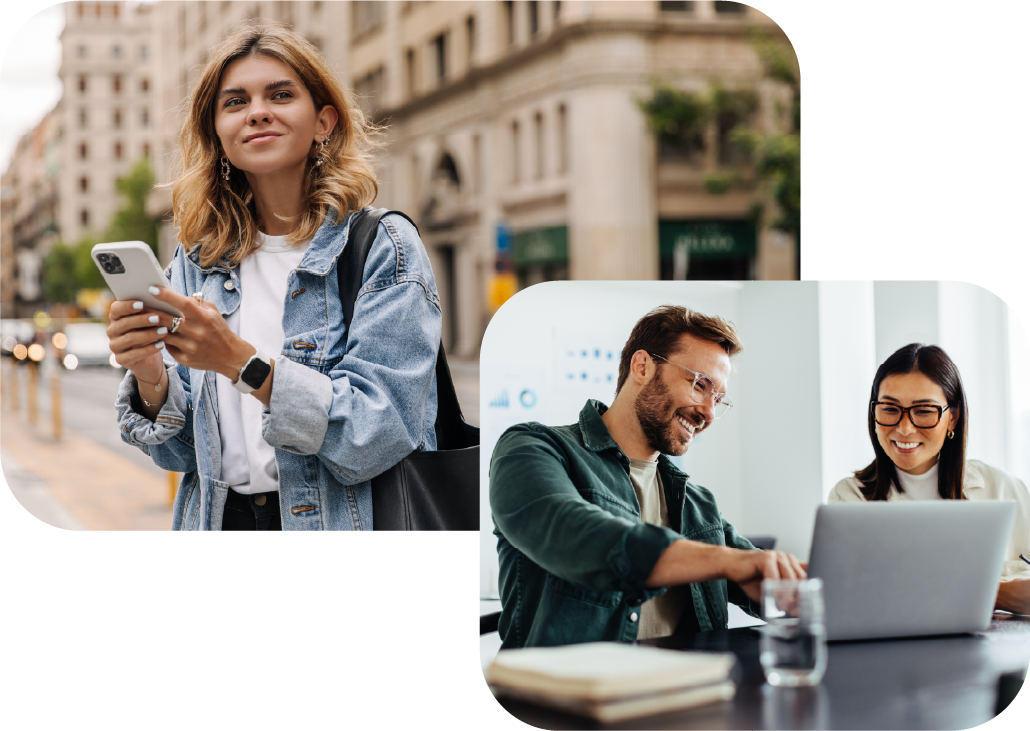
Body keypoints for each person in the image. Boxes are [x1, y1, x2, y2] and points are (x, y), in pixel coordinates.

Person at [106, 23, 441, 530]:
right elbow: (180, 457)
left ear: (323, 121)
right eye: (235, 102)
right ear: (217, 133)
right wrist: (151, 376)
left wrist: (241, 364)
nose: (258, 111)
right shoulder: (199, 261)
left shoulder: (380, 244)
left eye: (281, 95)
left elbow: (378, 431)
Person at [489, 305, 805, 649]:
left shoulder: (699, 504)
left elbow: (760, 575)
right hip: (569, 697)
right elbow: (576, 534)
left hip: (692, 693)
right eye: (700, 385)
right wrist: (729, 561)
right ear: (642, 367)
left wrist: (801, 584)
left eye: (719, 399)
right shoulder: (533, 448)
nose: (709, 413)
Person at [829, 343, 1030, 614]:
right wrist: (994, 593)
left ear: (953, 417)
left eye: (923, 411)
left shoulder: (1004, 489)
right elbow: (855, 599)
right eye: (889, 408)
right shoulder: (849, 498)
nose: (904, 428)